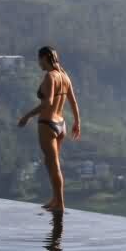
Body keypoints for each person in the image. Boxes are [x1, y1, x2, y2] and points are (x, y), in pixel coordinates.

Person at [17, 46, 81, 212]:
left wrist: (27, 116)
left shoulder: (50, 77)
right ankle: (55, 198)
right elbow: (73, 102)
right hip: (61, 124)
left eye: (39, 59)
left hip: (48, 124)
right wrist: (77, 122)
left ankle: (60, 202)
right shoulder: (64, 76)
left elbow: (47, 103)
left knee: (53, 165)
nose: (38, 63)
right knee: (51, 162)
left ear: (44, 58)